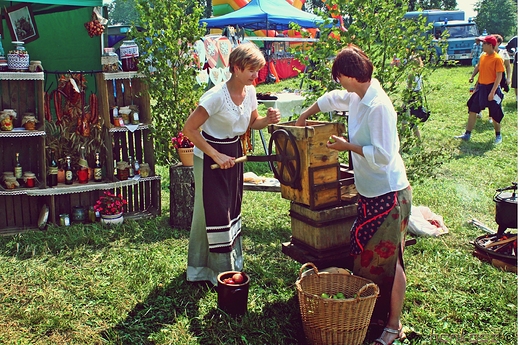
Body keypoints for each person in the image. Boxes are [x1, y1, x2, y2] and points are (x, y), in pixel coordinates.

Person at [295, 44, 412, 345]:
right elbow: (333, 99)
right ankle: (373, 312)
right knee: (368, 254)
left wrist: (348, 147)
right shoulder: (359, 95)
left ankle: (393, 325)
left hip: (390, 194)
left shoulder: (378, 107)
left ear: (349, 75)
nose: (339, 84)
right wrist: (305, 114)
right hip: (370, 192)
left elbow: (385, 155)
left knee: (391, 259)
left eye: (339, 78)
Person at [183, 43, 281, 286]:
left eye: (257, 70)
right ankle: (202, 269)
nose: (256, 75)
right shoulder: (215, 97)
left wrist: (267, 120)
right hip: (208, 155)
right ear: (236, 68)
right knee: (211, 210)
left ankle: (229, 266)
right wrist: (216, 155)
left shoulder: (249, 93)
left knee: (230, 207)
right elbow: (189, 130)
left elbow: (252, 123)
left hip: (233, 152)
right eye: (251, 70)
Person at [455, 35, 505, 144]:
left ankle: (498, 136)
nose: (482, 45)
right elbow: (479, 68)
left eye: (484, 44)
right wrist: (473, 78)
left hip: (492, 88)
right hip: (481, 88)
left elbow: (499, 77)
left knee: (495, 113)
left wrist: (492, 92)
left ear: (490, 45)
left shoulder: (497, 59)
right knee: (473, 110)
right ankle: (467, 134)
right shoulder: (483, 56)